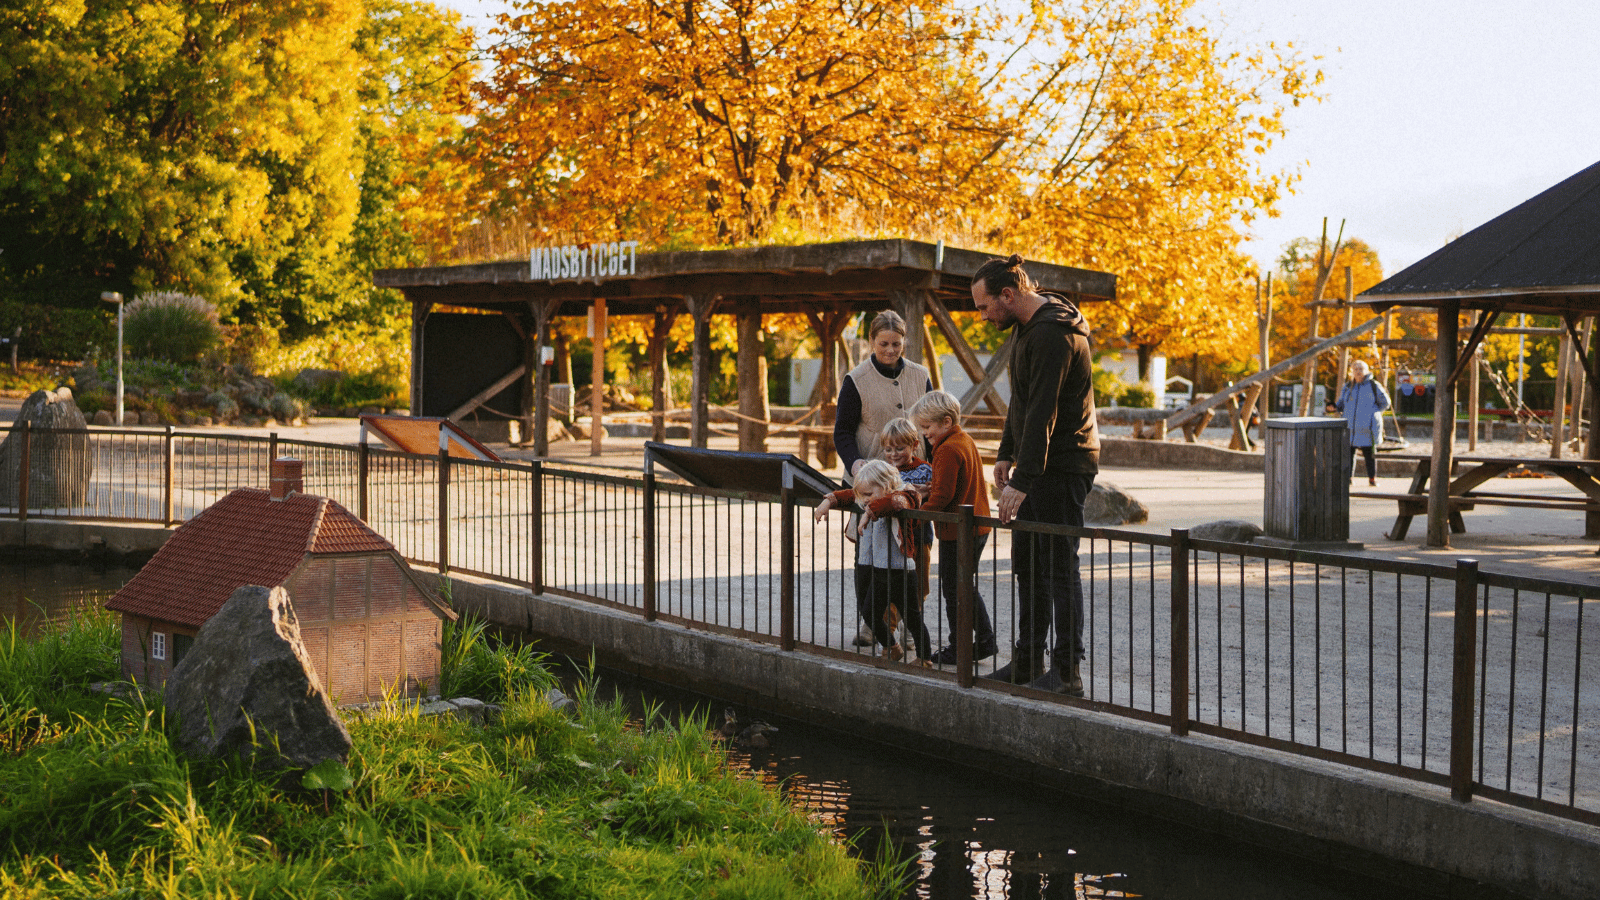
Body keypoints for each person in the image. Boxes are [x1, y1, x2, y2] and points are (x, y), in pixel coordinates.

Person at [971, 254, 1098, 696]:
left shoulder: (1052, 334)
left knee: (1060, 566)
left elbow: (1044, 410)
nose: (983, 316)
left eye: (985, 307)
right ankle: (1028, 659)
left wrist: (1023, 481)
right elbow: (1021, 404)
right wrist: (1008, 454)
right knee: (1028, 564)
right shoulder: (1028, 329)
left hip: (1064, 464)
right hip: (1037, 463)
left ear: (1008, 294)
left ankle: (1067, 673)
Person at [834, 309, 933, 646]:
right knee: (871, 557)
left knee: (915, 552)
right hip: (872, 482)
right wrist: (856, 463)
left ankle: (910, 622)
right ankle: (871, 622)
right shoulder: (856, 379)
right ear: (872, 342)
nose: (891, 350)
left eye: (897, 344)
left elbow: (933, 422)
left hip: (914, 481)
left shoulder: (921, 376)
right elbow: (843, 432)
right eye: (884, 344)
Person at [815, 418, 934, 646]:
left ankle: (911, 632)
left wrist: (914, 494)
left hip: (915, 536)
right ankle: (885, 633)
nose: (893, 454)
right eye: (888, 449)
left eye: (900, 448)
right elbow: (859, 493)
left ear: (914, 445)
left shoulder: (923, 470)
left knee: (916, 588)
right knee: (884, 589)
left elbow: (913, 496)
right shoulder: (883, 471)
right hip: (885, 543)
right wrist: (830, 499)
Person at [908, 391, 999, 665]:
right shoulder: (964, 440)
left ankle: (959, 647)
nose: (925, 434)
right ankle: (984, 640)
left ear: (946, 422)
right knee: (964, 586)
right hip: (976, 526)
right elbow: (949, 486)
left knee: (953, 590)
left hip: (957, 531)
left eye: (927, 427)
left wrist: (914, 515)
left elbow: (942, 497)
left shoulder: (947, 449)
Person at [1328, 359, 1391, 487]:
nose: (1358, 371)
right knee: (1349, 454)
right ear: (1352, 372)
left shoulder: (1374, 385)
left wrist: (1374, 412)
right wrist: (1333, 407)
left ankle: (1372, 479)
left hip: (1368, 426)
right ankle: (1349, 478)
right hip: (1350, 426)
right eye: (1355, 369)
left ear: (1366, 371)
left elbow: (1386, 403)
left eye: (1361, 369)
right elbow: (1341, 404)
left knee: (1370, 454)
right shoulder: (1347, 387)